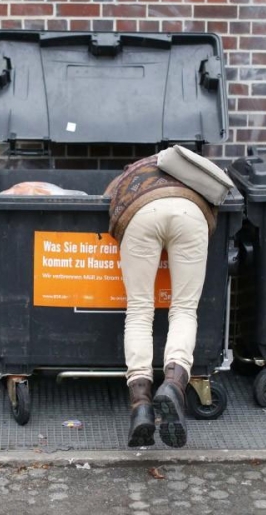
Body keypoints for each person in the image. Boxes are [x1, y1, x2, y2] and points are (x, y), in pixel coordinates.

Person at [105, 147, 217, 448]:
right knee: (183, 309)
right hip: (190, 213)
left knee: (139, 311)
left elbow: (107, 198)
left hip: (141, 214)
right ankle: (173, 384)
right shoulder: (188, 171)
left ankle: (140, 405)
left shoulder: (130, 176)